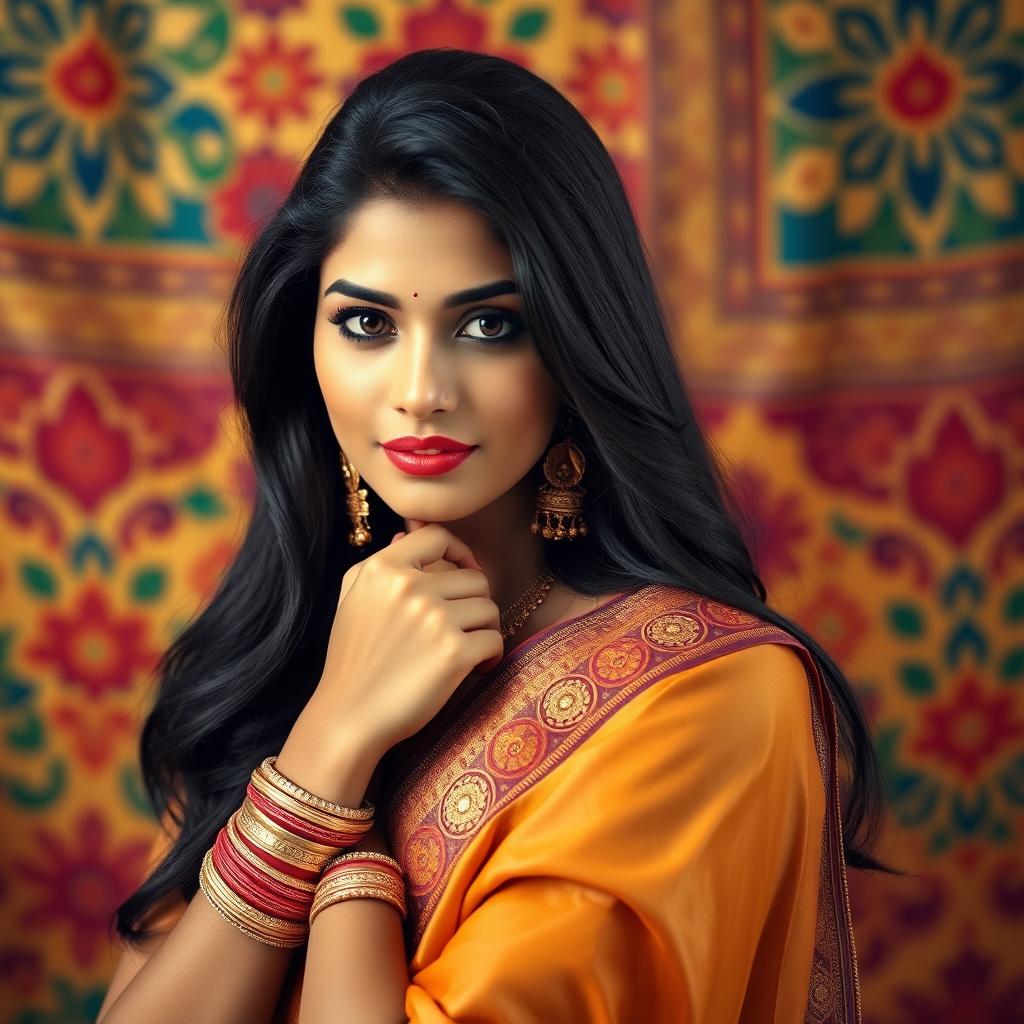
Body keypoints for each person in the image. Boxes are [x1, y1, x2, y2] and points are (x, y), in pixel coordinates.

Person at [98, 48, 897, 1024]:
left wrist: (345, 847)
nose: (421, 390)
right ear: (301, 344)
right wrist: (324, 747)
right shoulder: (280, 663)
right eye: (365, 323)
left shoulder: (704, 697)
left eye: (487, 327)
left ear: (572, 346)